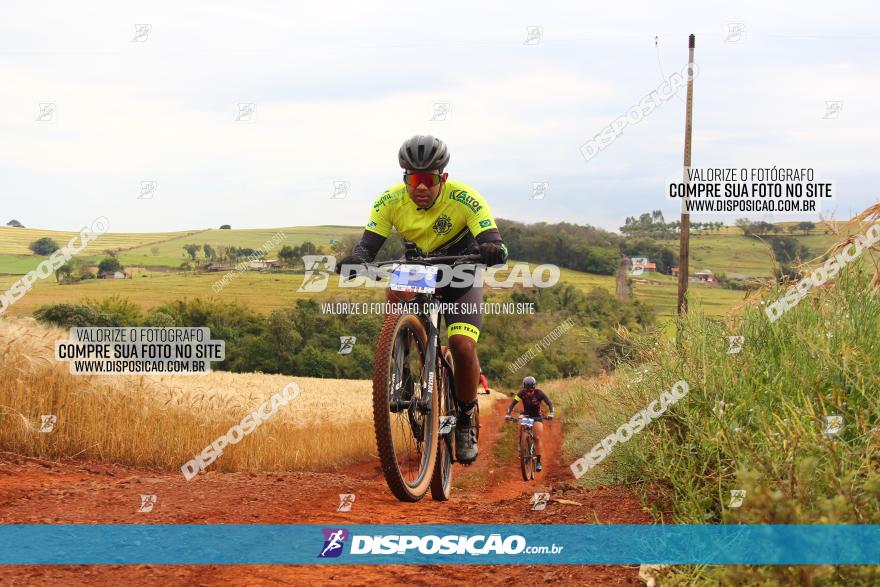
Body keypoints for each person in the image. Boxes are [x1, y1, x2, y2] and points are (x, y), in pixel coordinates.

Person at [337, 134, 508, 464]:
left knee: (461, 345)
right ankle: (401, 374)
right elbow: (367, 246)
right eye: (414, 179)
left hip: (461, 270)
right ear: (405, 178)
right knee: (397, 290)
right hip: (419, 266)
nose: (421, 187)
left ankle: (463, 421)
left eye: (428, 180)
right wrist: (356, 258)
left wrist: (491, 250)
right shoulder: (389, 200)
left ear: (441, 178)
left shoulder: (465, 198)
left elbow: (492, 239)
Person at [506, 376, 554, 472]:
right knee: (520, 420)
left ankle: (539, 461)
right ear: (524, 388)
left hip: (537, 417)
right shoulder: (521, 393)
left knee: (537, 438)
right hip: (526, 415)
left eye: (530, 391)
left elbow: (549, 403)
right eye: (527, 391)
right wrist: (508, 413)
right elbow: (512, 404)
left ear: (534, 388)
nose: (528, 393)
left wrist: (551, 413)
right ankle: (521, 443)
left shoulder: (539, 393)